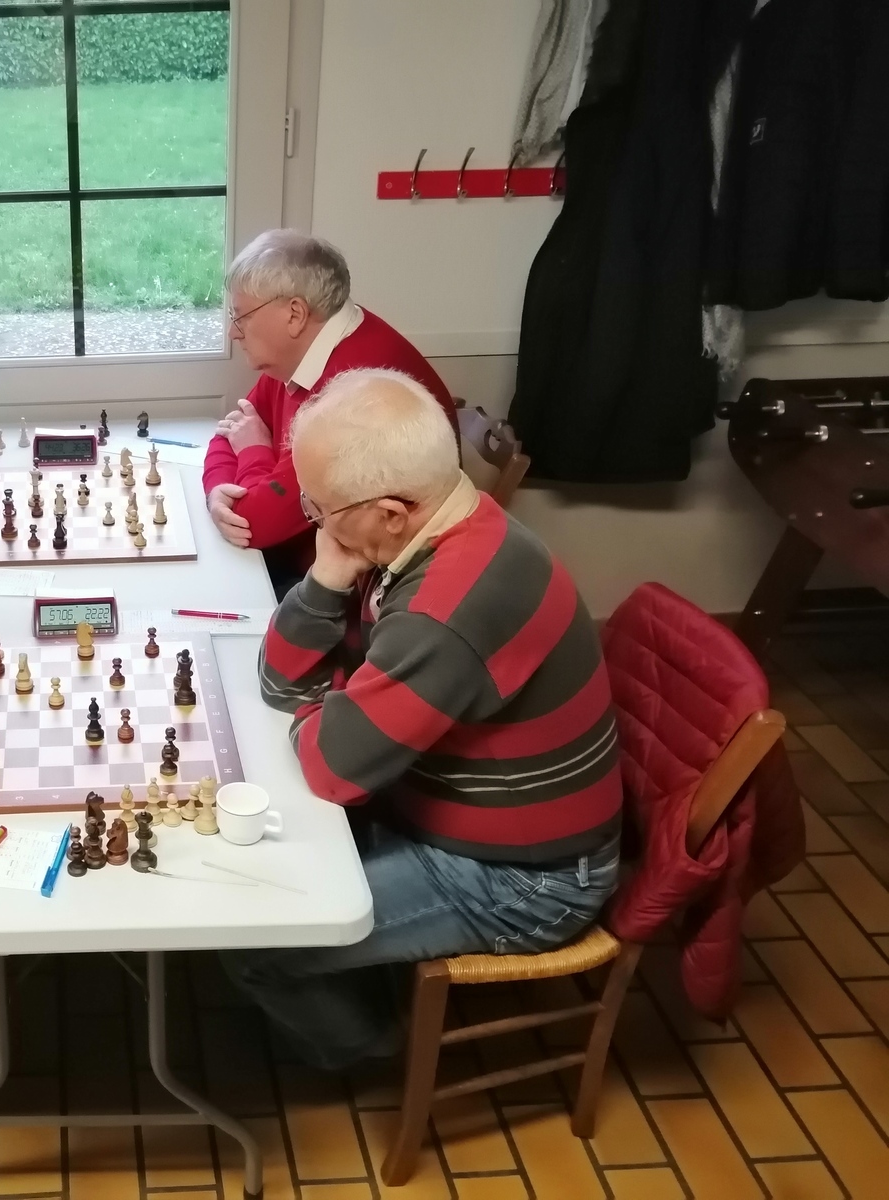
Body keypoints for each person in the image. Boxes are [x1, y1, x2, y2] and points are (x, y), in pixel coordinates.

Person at [221, 370, 621, 1071]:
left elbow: (332, 765)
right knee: (271, 862)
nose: (313, 519)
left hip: (527, 881)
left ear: (390, 512)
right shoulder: (434, 529)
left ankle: (374, 1054)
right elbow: (280, 680)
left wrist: (330, 711)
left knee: (253, 938)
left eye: (319, 505)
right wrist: (325, 580)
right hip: (437, 807)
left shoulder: (445, 609)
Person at [203, 230, 458, 593]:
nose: (233, 332)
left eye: (240, 315)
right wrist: (218, 492)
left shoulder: (353, 395)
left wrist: (254, 451)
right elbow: (230, 431)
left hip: (363, 591)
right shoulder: (296, 353)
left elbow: (251, 523)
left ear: (295, 314)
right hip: (304, 554)